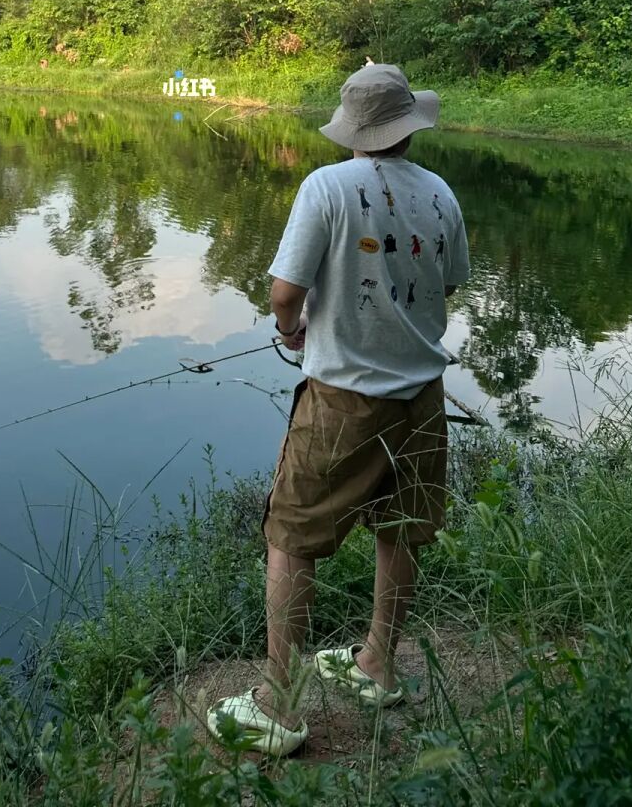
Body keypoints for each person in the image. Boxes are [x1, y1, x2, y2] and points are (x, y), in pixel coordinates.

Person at [207, 63, 470, 757]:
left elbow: (283, 292)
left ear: (355, 129)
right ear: (410, 126)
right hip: (422, 397)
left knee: (290, 537)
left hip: (343, 400)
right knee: (402, 526)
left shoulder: (327, 186)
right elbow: (449, 283)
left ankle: (277, 705)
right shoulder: (441, 193)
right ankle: (377, 666)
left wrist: (293, 329)